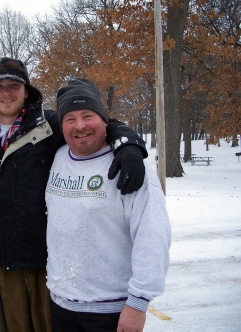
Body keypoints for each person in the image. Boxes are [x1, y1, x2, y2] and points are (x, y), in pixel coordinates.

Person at [0, 57, 149, 332]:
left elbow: (97, 122)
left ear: (26, 90)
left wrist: (128, 145)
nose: (6, 93)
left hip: (48, 262)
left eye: (14, 86)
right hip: (5, 262)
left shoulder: (49, 125)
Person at [45, 78, 171, 332]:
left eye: (88, 115)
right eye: (70, 119)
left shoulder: (130, 167)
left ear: (104, 119)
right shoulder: (57, 156)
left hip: (111, 309)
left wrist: (138, 304)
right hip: (61, 304)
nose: (79, 126)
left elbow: (152, 236)